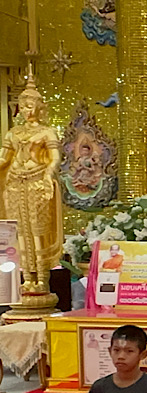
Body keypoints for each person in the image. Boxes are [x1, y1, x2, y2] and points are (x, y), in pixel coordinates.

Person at [0, 67, 62, 294]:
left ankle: (42, 278)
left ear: (40, 108)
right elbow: (4, 158)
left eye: (31, 105)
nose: (28, 110)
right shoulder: (13, 133)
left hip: (37, 182)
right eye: (24, 106)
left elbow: (55, 158)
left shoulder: (47, 132)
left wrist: (48, 174)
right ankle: (26, 278)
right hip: (15, 184)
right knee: (20, 232)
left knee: (37, 232)